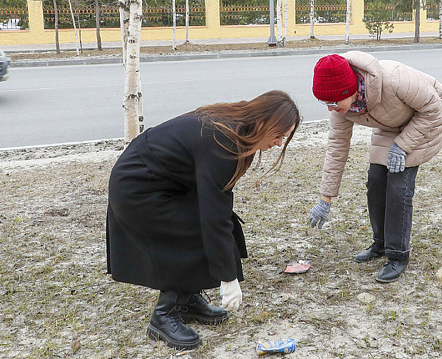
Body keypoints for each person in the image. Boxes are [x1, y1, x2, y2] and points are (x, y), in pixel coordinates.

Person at [106, 90, 300, 350]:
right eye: (278, 135)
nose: (278, 143)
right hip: (137, 190)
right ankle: (164, 315)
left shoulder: (236, 128)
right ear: (264, 122)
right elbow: (214, 214)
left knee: (220, 227)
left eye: (284, 138)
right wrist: (228, 278)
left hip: (160, 185)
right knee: (200, 230)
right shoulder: (224, 139)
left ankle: (187, 299)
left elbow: (217, 205)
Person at [308, 52, 442, 283]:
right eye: (325, 103)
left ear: (348, 91)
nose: (330, 108)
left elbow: (432, 108)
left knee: (398, 187)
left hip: (426, 118)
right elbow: (336, 148)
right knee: (376, 181)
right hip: (391, 122)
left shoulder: (393, 79)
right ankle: (381, 243)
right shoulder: (341, 108)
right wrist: (326, 198)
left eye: (332, 102)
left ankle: (398, 255)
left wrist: (403, 146)